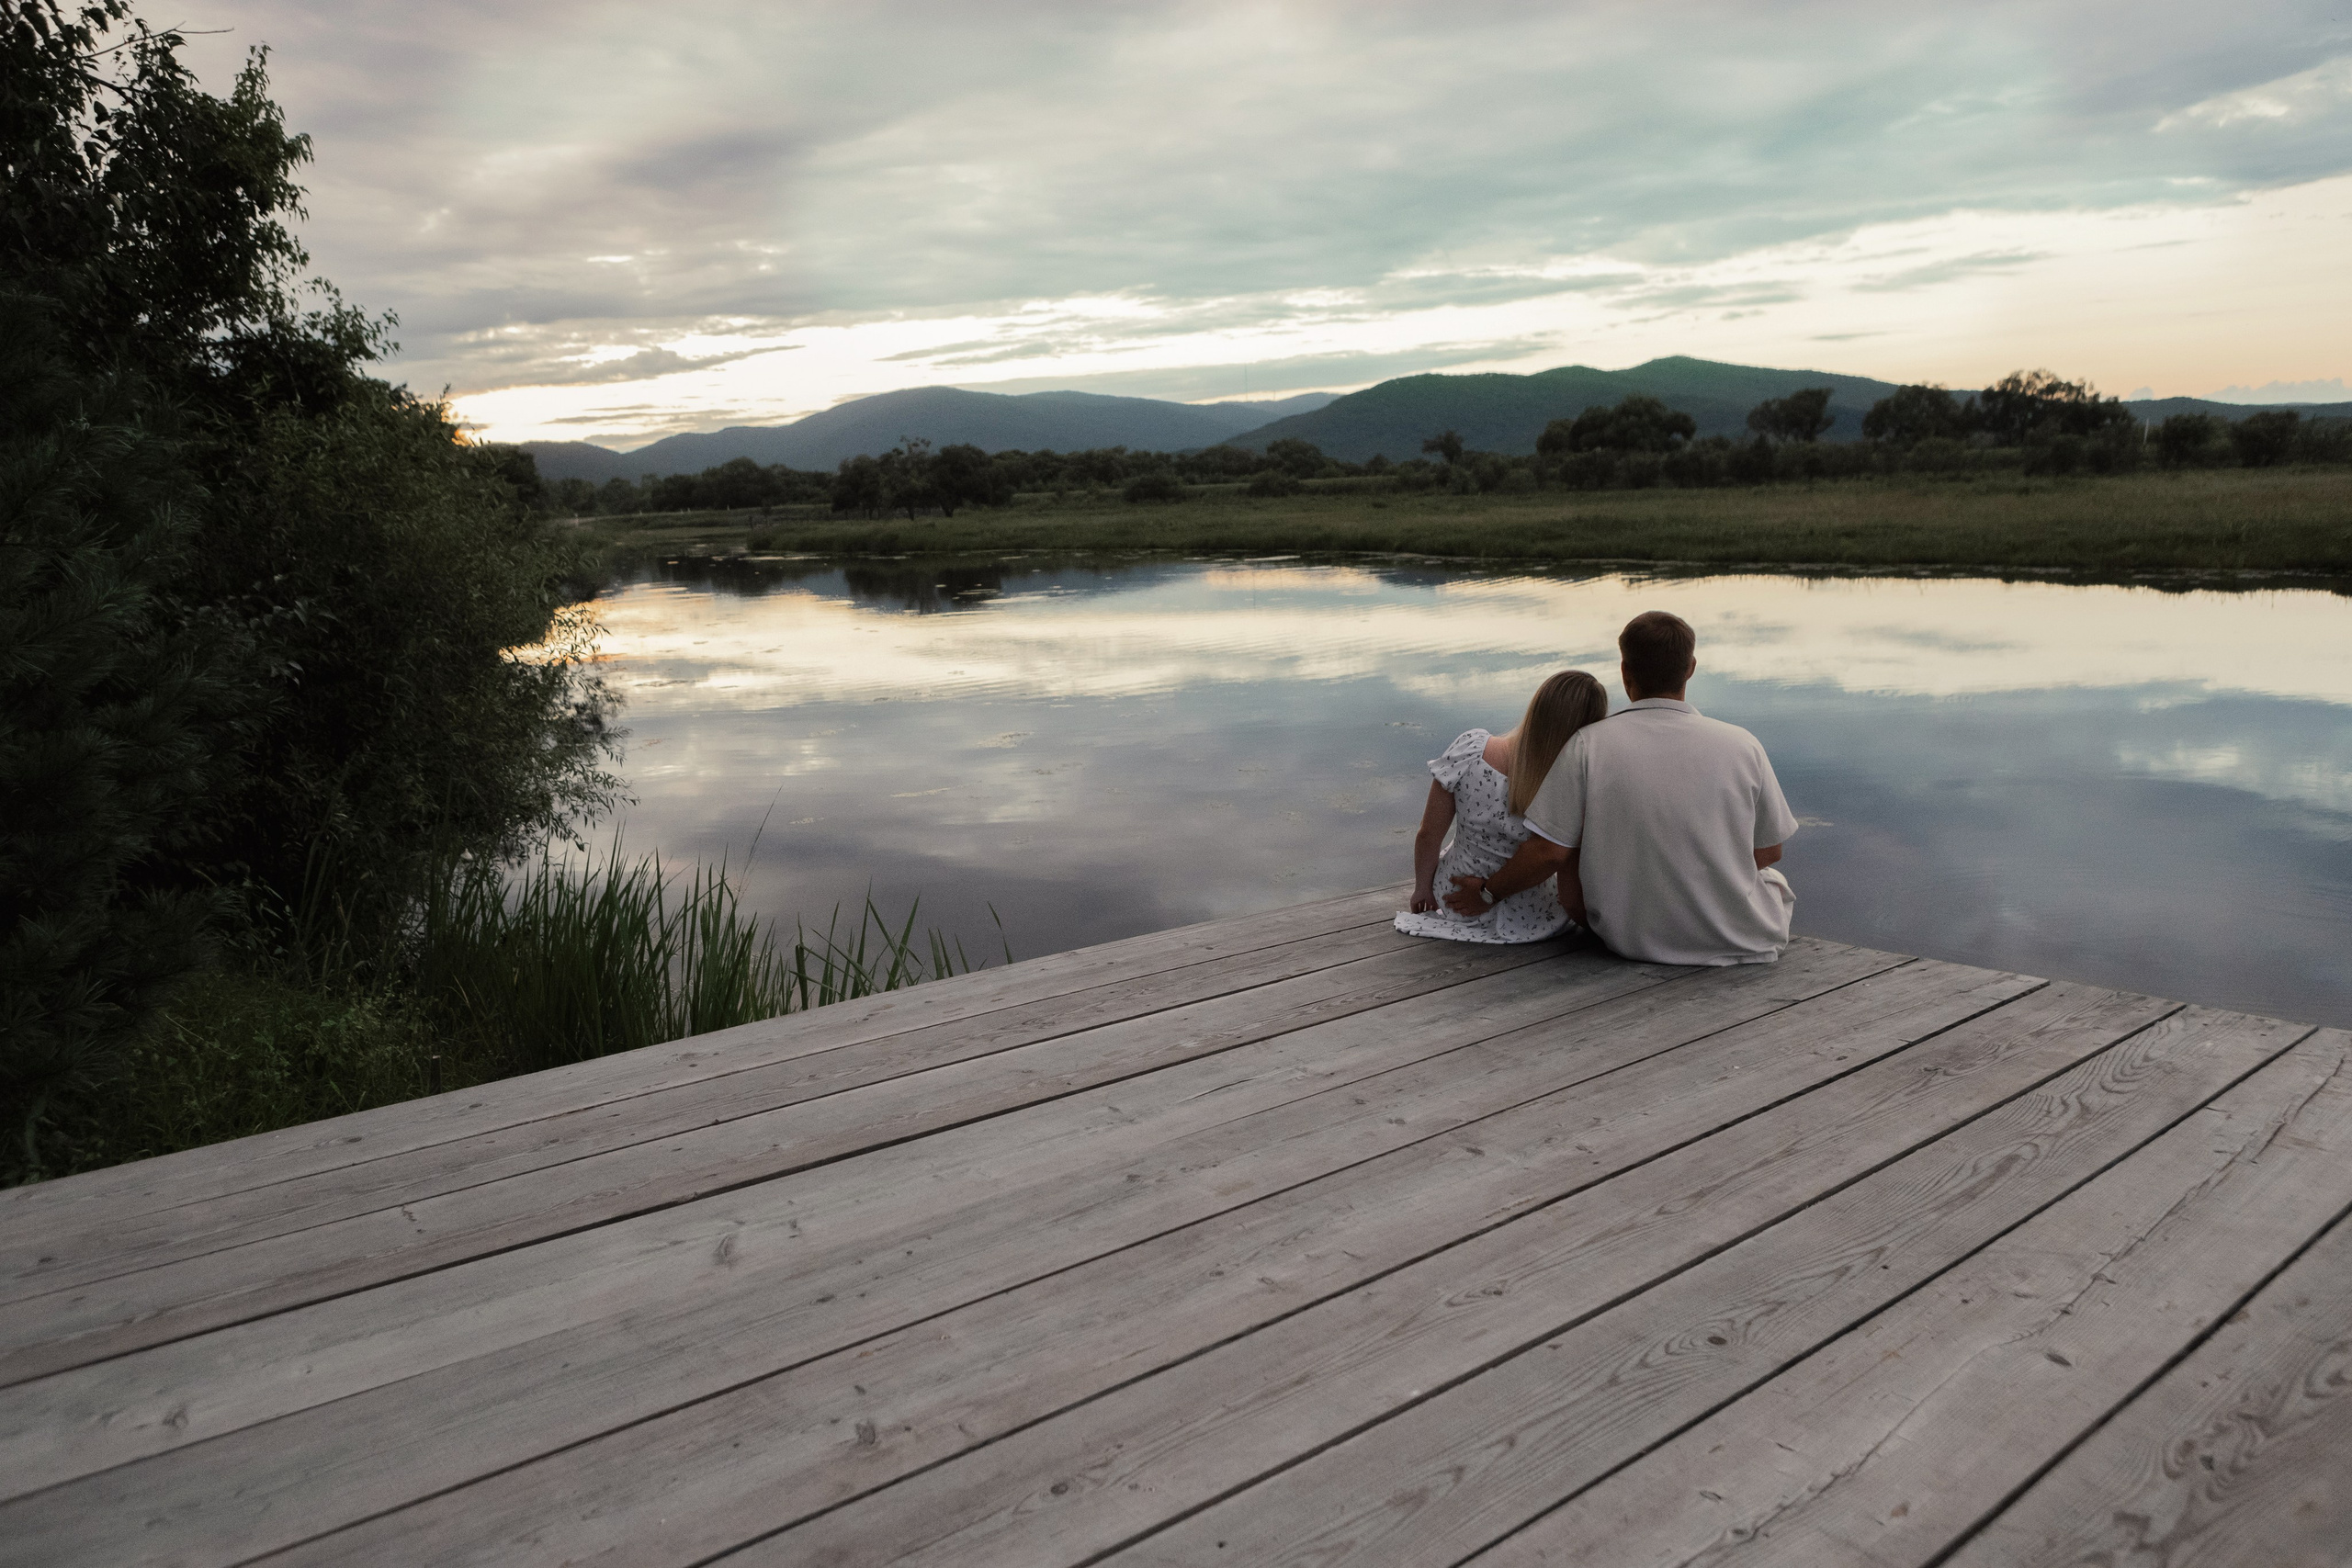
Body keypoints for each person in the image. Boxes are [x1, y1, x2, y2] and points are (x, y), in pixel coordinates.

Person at [1443, 611, 1798, 965]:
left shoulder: (1587, 745)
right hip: (1739, 938)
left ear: (1625, 671)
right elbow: (1768, 851)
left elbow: (1549, 852)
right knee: (1773, 880)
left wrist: (1488, 893)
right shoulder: (1742, 745)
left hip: (1632, 940)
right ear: (1690, 668)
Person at [1395, 670, 1609, 943]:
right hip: (1533, 915)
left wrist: (1422, 889)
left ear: (1537, 708)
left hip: (1454, 900)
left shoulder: (1470, 750)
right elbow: (1565, 865)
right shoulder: (1573, 782)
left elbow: (1428, 834)